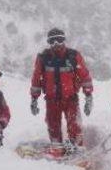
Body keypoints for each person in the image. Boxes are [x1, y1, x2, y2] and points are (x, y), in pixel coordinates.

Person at [30, 28, 93, 156]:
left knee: (74, 126)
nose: (56, 44)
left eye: (59, 40)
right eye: (52, 41)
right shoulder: (44, 58)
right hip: (51, 100)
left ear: (64, 40)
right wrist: (34, 98)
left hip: (70, 99)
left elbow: (85, 77)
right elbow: (36, 78)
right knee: (53, 126)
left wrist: (88, 96)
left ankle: (77, 149)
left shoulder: (73, 56)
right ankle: (56, 148)